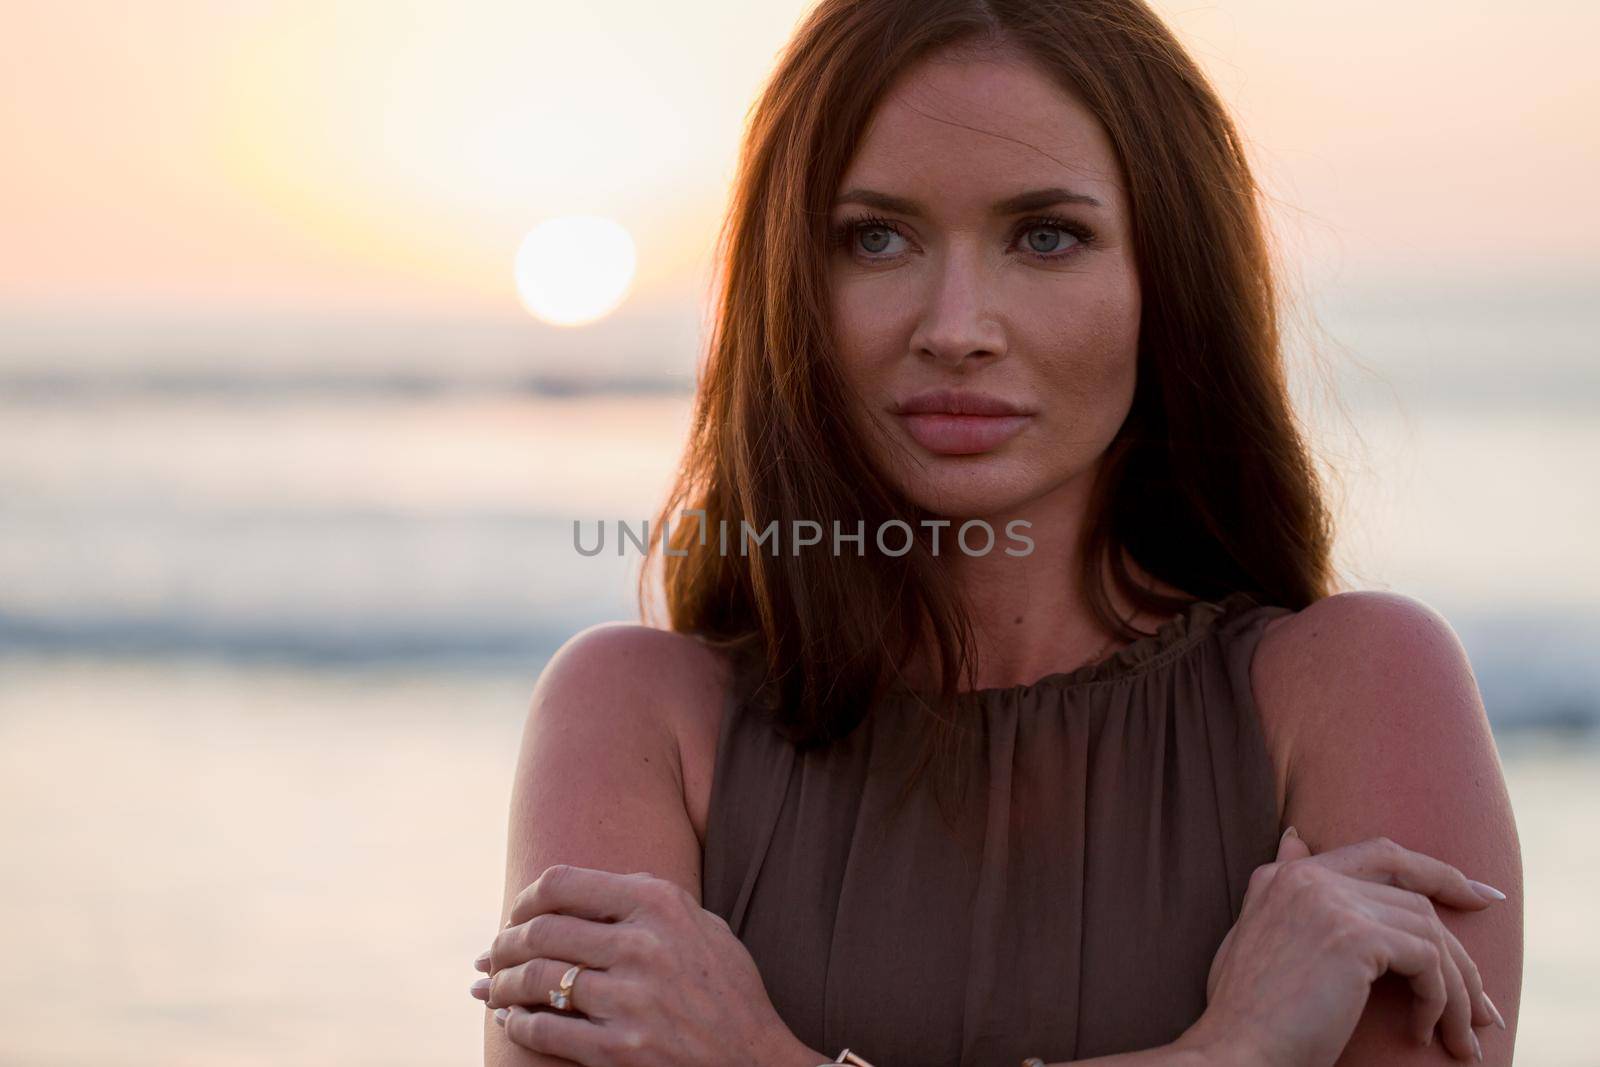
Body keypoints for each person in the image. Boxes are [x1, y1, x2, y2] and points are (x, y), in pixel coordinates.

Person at [470, 1, 1523, 1064]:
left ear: (1167, 277)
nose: (956, 327)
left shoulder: (1364, 687)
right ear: (787, 284)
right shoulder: (636, 716)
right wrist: (1230, 1051)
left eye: (1046, 236)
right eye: (874, 237)